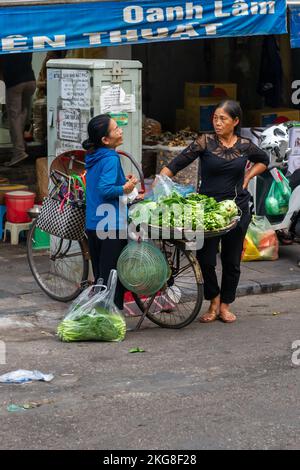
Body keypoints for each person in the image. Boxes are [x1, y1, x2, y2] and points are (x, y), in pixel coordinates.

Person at [160, 100, 269, 323]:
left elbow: (264, 160)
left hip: (236, 209)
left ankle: (225, 305)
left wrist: (248, 177)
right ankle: (214, 300)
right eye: (215, 118)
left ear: (235, 121)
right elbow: (175, 165)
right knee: (205, 259)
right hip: (207, 212)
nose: (217, 123)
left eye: (223, 119)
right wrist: (159, 187)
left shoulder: (246, 146)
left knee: (231, 260)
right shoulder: (205, 142)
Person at [83, 114, 138, 310]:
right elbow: (105, 190)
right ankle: (111, 321)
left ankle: (101, 317)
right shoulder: (111, 158)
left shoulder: (94, 155)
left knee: (101, 277)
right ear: (105, 140)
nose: (120, 130)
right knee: (114, 279)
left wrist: (123, 181)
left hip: (93, 223)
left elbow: (101, 183)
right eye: (116, 129)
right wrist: (126, 188)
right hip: (111, 225)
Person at [2, 52, 36, 166]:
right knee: (22, 114)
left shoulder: (4, 42)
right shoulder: (23, 37)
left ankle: (19, 152)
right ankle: (22, 146)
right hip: (31, 80)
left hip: (15, 83)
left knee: (14, 117)